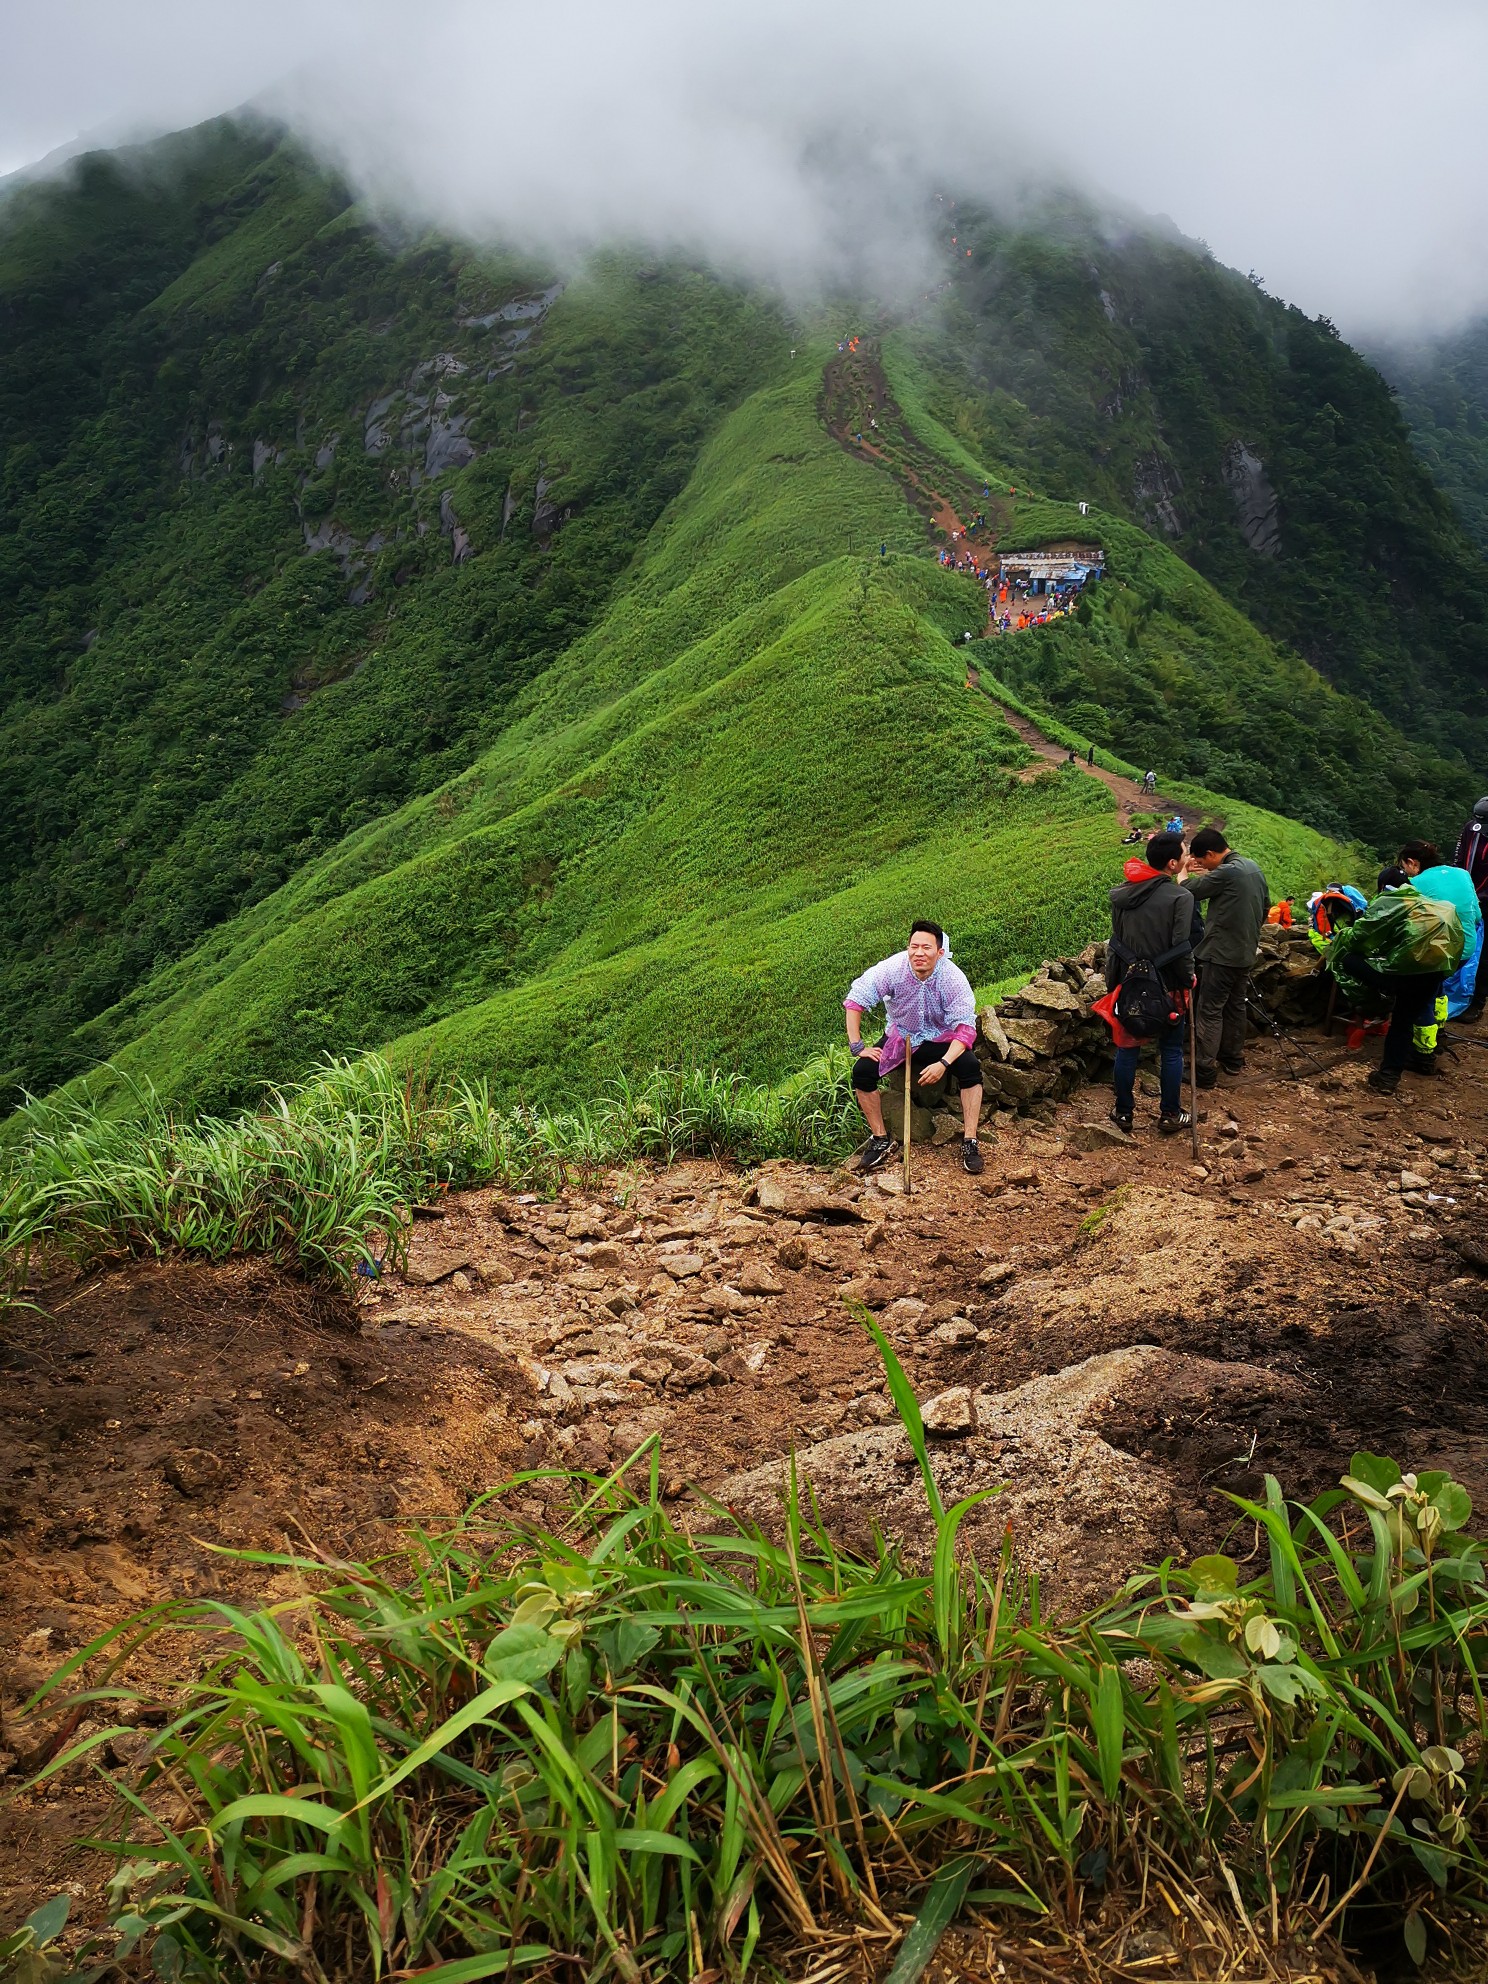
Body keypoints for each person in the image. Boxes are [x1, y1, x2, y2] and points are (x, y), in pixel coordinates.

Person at [845, 921, 985, 1174]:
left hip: (942, 1038)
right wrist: (858, 1046)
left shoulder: (952, 978)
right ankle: (880, 1138)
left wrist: (943, 1064)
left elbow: (965, 1028)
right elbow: (856, 1000)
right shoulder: (891, 969)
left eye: (926, 948)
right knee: (862, 1072)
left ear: (940, 952)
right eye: (914, 946)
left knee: (970, 1067)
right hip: (902, 1036)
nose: (919, 953)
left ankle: (970, 1141)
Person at [1104, 832, 1195, 1135]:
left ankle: (1123, 1113)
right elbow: (1181, 946)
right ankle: (1170, 1113)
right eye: (1185, 852)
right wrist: (1187, 979)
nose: (1187, 857)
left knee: (1127, 1048)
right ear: (1173, 863)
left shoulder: (1122, 894)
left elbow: (1116, 941)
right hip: (1168, 984)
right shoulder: (1181, 897)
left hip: (1129, 983)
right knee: (1171, 1049)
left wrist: (1113, 983)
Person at [1182, 827, 1271, 1087]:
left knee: (1209, 1010)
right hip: (1244, 952)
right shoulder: (1251, 866)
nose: (1200, 865)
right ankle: (1232, 1059)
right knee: (1235, 1005)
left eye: (1201, 861)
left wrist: (1185, 869)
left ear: (1210, 853)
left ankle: (1204, 1071)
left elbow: (1189, 891)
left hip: (1221, 954)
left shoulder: (1228, 872)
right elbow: (1265, 906)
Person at [1397, 839, 1483, 1062]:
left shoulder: (1415, 886)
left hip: (1440, 952)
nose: (1405, 873)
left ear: (1412, 863)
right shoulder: (1463, 874)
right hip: (1466, 950)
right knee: (1438, 990)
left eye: (1404, 867)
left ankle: (1423, 1056)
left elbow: (1409, 926)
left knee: (1422, 997)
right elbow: (1477, 916)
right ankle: (1440, 1031)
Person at [1454, 798, 1488, 1020]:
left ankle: (1477, 1001)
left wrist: (1482, 898)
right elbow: (1459, 858)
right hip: (1466, 897)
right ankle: (1455, 993)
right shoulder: (1471, 829)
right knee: (1459, 945)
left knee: (1483, 955)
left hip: (1485, 901)